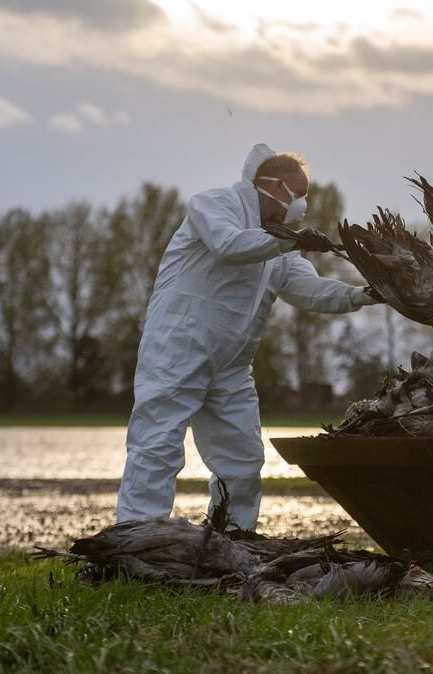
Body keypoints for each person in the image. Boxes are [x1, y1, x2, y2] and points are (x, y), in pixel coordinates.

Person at [116, 144, 380, 529]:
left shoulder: (280, 247)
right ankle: (136, 538)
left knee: (242, 460)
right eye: (297, 193)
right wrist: (291, 240)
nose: (301, 205)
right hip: (178, 348)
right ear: (271, 185)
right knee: (157, 446)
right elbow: (228, 245)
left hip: (231, 366)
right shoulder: (214, 205)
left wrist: (364, 295)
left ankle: (231, 541)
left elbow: (309, 289)